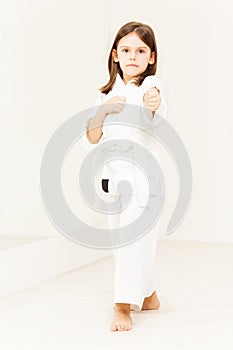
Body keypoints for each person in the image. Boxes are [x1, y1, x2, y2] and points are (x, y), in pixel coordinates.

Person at [85, 21, 167, 332]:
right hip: (114, 182)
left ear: (152, 57)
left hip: (145, 183)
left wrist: (153, 103)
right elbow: (92, 138)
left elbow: (156, 106)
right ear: (115, 55)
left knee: (133, 243)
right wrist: (102, 111)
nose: (133, 56)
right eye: (127, 49)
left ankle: (122, 306)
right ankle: (148, 294)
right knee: (121, 244)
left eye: (141, 50)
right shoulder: (105, 93)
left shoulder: (150, 87)